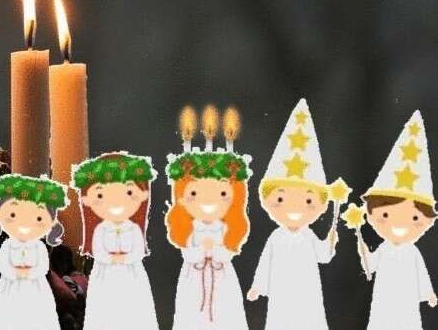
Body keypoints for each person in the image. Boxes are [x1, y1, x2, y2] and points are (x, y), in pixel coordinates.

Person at [247, 99, 338, 330]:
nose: (295, 209)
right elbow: (266, 261)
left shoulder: (308, 237)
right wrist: (258, 286)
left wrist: (330, 241)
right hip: (282, 289)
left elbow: (323, 256)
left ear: (320, 205)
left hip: (307, 288)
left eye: (308, 201)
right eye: (280, 199)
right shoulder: (276, 237)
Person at [165, 106, 252, 330]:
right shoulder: (189, 227)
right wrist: (200, 252)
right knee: (191, 314)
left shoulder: (226, 228)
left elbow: (229, 251)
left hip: (222, 278)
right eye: (194, 193)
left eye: (222, 194)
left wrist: (215, 253)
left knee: (225, 313)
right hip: (193, 278)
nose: (208, 202)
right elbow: (186, 251)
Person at [356, 111, 437, 330]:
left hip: (407, 301)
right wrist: (363, 249)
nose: (400, 224)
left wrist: (428, 293)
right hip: (384, 299)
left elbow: (420, 272)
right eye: (386, 215)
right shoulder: (384, 249)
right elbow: (369, 266)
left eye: (414, 217)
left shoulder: (412, 252)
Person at [72, 152, 159, 330]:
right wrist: (110, 257)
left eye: (128, 192)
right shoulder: (101, 230)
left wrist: (124, 257)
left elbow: (137, 250)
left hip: (130, 274)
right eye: (101, 196)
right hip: (106, 274)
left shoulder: (133, 229)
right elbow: (98, 249)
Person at [0, 174, 68, 330]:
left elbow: (42, 267)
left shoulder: (39, 247)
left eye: (38, 218)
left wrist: (29, 272)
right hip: (12, 287)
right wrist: (17, 272)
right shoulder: (8, 245)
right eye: (13, 215)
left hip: (35, 287)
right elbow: (4, 266)